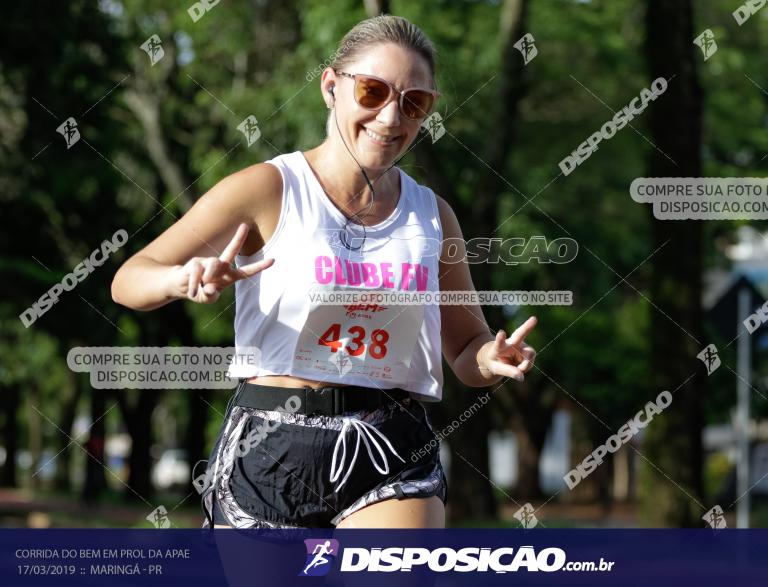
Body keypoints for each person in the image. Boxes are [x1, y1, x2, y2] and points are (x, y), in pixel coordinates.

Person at [111, 14, 537, 530]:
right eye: (372, 91)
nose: (390, 116)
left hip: (390, 443)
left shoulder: (434, 216)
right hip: (272, 446)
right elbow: (129, 279)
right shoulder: (268, 188)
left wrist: (491, 359)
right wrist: (181, 279)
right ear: (331, 86)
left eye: (414, 102)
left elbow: (466, 351)